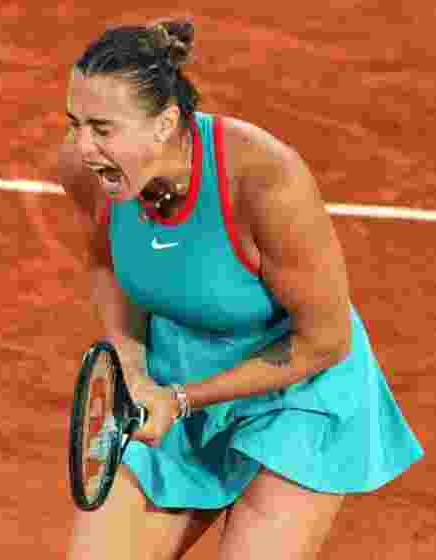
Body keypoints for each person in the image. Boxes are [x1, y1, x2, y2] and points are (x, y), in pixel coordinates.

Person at [58, 19, 423, 559]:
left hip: (296, 395)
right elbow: (107, 262)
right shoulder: (90, 172)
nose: (84, 146)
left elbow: (324, 342)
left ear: (165, 123)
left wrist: (181, 400)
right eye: (76, 123)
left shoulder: (264, 179)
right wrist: (132, 365)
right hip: (174, 378)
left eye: (103, 128)